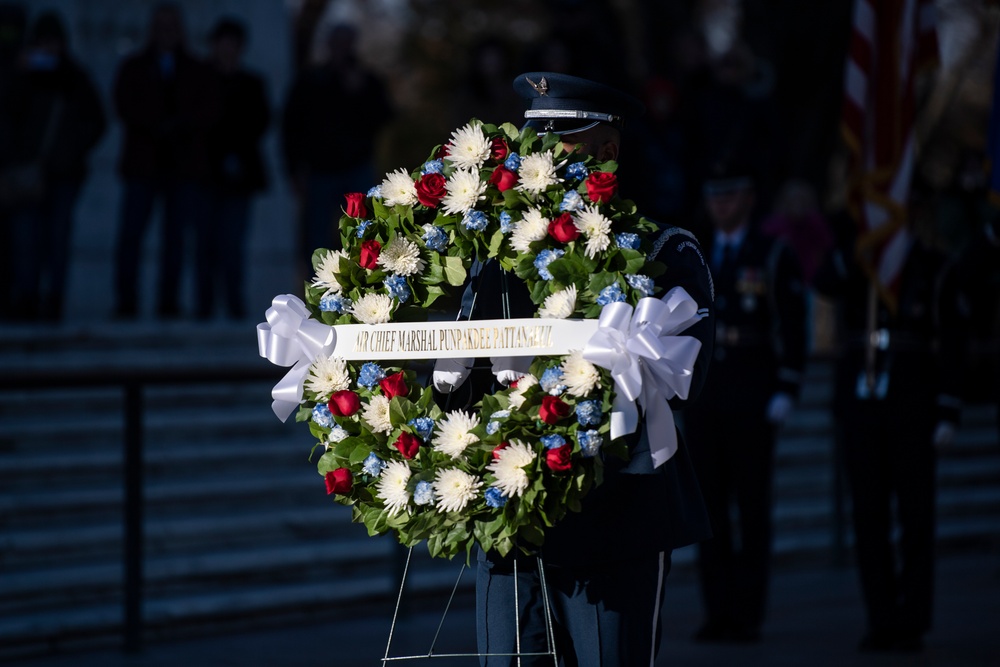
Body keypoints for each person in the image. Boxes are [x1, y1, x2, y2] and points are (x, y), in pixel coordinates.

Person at [434, 72, 716, 667]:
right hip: (506, 523)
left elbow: (679, 378)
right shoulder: (496, 255)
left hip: (611, 519)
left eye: (557, 145)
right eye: (532, 144)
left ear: (606, 152)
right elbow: (463, 371)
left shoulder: (663, 254)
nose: (538, 162)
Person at [813, 209, 967, 653]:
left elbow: (952, 338)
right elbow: (823, 281)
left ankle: (913, 619)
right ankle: (881, 617)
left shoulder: (932, 265)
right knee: (868, 515)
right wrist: (856, 249)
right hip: (861, 405)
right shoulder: (858, 261)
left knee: (916, 516)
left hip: (913, 402)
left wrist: (950, 409)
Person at [682, 160, 808, 643]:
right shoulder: (697, 254)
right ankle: (718, 611)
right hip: (707, 394)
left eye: (729, 196)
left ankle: (748, 611)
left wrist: (788, 387)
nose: (720, 206)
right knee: (709, 510)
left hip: (753, 395)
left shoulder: (771, 253)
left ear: (749, 199)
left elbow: (791, 324)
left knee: (752, 509)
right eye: (714, 196)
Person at [111, 1, 220, 319]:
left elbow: (208, 111)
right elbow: (123, 104)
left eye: (172, 26)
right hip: (142, 165)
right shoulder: (134, 66)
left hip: (182, 168)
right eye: (161, 26)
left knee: (175, 240)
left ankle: (168, 303)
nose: (166, 32)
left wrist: (179, 126)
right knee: (131, 236)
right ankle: (126, 302)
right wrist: (154, 125)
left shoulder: (196, 69)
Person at [0, 10, 106, 322]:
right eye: (42, 43)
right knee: (26, 241)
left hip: (64, 175)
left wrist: (70, 152)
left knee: (57, 239)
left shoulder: (75, 78)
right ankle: (26, 298)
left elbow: (97, 122)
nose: (48, 49)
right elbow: (6, 115)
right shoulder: (21, 76)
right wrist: (18, 73)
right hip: (27, 175)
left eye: (54, 42)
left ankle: (53, 300)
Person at [281, 22, 393, 279]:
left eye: (347, 43)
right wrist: (293, 170)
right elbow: (291, 126)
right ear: (328, 46)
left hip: (357, 168)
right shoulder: (310, 80)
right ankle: (319, 288)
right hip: (319, 171)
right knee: (317, 237)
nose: (342, 49)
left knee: (362, 232)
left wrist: (361, 92)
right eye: (337, 43)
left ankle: (364, 285)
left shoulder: (366, 79)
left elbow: (385, 116)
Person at [196, 17, 270, 321]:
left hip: (240, 177)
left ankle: (234, 304)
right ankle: (204, 306)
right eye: (222, 43)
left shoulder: (252, 83)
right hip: (204, 174)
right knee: (204, 245)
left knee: (233, 246)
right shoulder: (200, 80)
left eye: (232, 44)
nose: (227, 49)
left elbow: (260, 122)